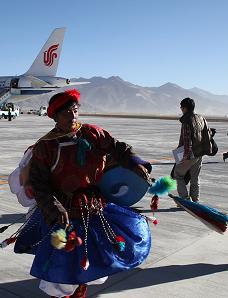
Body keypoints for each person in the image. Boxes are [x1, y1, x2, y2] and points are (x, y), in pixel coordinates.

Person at [23, 89, 151, 298]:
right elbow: (39, 183)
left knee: (88, 261)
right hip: (62, 210)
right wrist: (53, 207)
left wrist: (136, 164)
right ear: (55, 117)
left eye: (75, 111)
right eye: (66, 113)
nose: (73, 116)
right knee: (63, 267)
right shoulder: (45, 147)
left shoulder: (93, 133)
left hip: (92, 206)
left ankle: (80, 292)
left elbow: (118, 148)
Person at [173, 97, 212, 202]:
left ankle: (185, 199)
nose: (181, 109)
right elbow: (207, 135)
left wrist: (185, 156)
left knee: (178, 175)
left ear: (185, 108)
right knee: (195, 177)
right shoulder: (201, 118)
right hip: (200, 153)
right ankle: (195, 199)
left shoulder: (186, 120)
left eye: (181, 107)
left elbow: (187, 141)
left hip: (190, 154)